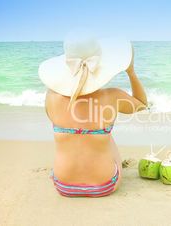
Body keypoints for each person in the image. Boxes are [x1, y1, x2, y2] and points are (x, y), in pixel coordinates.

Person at [38, 37, 147, 197]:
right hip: (105, 185)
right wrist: (131, 72)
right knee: (105, 135)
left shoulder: (51, 97)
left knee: (78, 135)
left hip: (62, 185)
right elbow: (142, 104)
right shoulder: (112, 97)